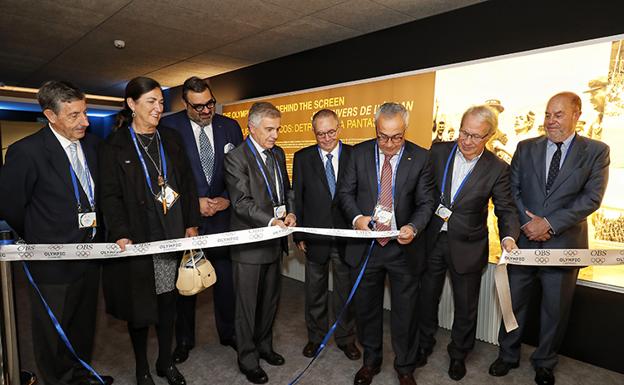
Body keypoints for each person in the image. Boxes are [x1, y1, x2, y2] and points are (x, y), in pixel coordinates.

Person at [489, 92, 610, 385]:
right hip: (524, 242)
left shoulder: (596, 151)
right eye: (547, 114)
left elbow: (591, 198)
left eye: (558, 115)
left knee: (554, 309)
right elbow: (512, 190)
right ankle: (507, 355)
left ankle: (544, 361)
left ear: (576, 115)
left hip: (564, 246)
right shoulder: (525, 147)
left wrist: (550, 224)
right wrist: (530, 224)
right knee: (512, 303)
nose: (550, 121)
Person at [0, 81, 113, 385]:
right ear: (51, 115)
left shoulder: (93, 145)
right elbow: (11, 206)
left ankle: (81, 373)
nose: (85, 122)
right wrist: (41, 236)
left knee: (83, 324)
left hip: (90, 256)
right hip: (52, 262)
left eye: (85, 113)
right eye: (74, 115)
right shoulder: (27, 152)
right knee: (53, 330)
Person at [98, 77, 200, 385]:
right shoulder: (113, 146)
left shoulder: (171, 139)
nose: (159, 108)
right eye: (151, 102)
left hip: (171, 235)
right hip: (139, 239)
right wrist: (119, 231)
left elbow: (187, 183)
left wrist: (191, 223)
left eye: (160, 102)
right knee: (140, 309)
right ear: (131, 104)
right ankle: (142, 367)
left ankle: (165, 362)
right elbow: (109, 195)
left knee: (169, 304)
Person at [417, 105, 520, 381]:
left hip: (469, 245)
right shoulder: (438, 152)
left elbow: (506, 208)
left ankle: (458, 354)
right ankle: (423, 344)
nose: (466, 140)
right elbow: (422, 190)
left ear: (489, 136)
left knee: (466, 306)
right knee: (426, 297)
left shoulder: (497, 168)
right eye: (464, 132)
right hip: (432, 238)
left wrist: (509, 236)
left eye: (475, 136)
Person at [337, 102, 435, 385]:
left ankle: (405, 366)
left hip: (402, 247)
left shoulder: (421, 157)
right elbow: (345, 192)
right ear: (375, 129)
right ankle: (371, 361)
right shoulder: (358, 153)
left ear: (405, 130)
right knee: (367, 309)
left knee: (405, 312)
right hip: (368, 245)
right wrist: (356, 218)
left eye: (396, 137)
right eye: (383, 136)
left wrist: (413, 227)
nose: (389, 144)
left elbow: (427, 201)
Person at [161, 76, 243, 363]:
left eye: (210, 103)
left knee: (226, 281)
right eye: (198, 107)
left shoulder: (230, 127)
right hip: (187, 222)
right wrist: (191, 204)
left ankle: (229, 332)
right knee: (186, 282)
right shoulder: (168, 128)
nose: (206, 111)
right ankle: (184, 340)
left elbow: (239, 171)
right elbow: (162, 178)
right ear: (185, 104)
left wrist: (228, 199)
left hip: (222, 219)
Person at [224, 102, 296, 384]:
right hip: (249, 245)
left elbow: (286, 191)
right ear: (251, 128)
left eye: (277, 129)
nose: (275, 135)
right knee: (246, 307)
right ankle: (248, 359)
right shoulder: (236, 158)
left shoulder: (277, 154)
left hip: (274, 242)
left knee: (269, 302)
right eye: (269, 129)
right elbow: (241, 202)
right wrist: (270, 221)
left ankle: (265, 347)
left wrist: (289, 212)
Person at [292, 109, 360, 361]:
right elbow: (296, 197)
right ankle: (315, 337)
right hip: (315, 238)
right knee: (315, 291)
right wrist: (298, 234)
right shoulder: (302, 157)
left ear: (339, 128)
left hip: (346, 237)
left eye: (331, 132)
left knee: (345, 292)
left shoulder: (355, 155)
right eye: (320, 134)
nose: (326, 138)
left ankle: (346, 338)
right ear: (314, 133)